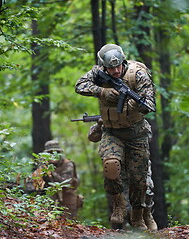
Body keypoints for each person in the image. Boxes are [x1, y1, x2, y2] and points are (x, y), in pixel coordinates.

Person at [75, 44, 156, 230]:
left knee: (139, 179)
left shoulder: (138, 74)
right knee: (111, 165)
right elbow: (79, 85)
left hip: (136, 133)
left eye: (118, 66)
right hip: (111, 131)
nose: (116, 70)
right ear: (103, 66)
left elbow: (150, 101)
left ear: (123, 61)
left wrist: (138, 104)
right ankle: (118, 204)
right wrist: (102, 91)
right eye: (111, 68)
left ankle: (137, 216)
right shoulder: (98, 73)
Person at [88, 119, 158, 231]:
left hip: (136, 160)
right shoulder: (108, 119)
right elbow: (92, 137)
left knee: (145, 189)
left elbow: (148, 136)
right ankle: (120, 213)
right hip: (121, 169)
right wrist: (100, 124)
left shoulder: (140, 123)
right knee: (111, 167)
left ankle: (146, 215)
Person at [32, 140, 83, 219]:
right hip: (50, 202)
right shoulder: (44, 166)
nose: (53, 155)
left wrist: (50, 172)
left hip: (68, 202)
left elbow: (66, 182)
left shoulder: (68, 164)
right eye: (50, 153)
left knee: (69, 226)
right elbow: (35, 185)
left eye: (56, 152)